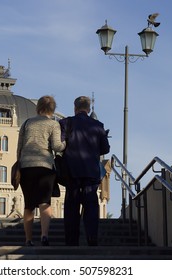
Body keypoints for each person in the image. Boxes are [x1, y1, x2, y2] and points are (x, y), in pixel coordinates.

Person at [59, 96, 110, 246]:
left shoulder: (66, 123)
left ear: (75, 108)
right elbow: (105, 149)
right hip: (91, 172)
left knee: (71, 206)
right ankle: (92, 238)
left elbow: (60, 144)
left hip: (71, 171)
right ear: (88, 109)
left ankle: (71, 240)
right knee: (91, 206)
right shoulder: (98, 125)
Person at [17, 95, 66, 246]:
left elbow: (19, 148)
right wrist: (65, 144)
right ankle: (44, 236)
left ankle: (28, 239)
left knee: (29, 205)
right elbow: (57, 146)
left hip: (26, 167)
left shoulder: (26, 123)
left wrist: (19, 164)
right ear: (52, 109)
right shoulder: (53, 124)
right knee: (45, 203)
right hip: (45, 167)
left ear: (38, 107)